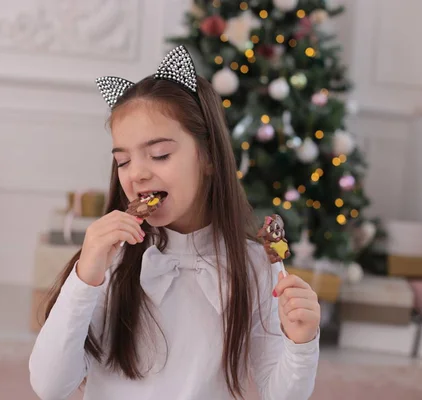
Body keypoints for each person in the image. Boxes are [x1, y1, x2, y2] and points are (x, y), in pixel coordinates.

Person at [29, 45, 320, 400]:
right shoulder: (109, 262)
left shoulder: (257, 268)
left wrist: (301, 342)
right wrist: (84, 279)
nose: (137, 173)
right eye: (122, 161)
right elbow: (50, 386)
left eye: (160, 154)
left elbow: (282, 395)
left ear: (209, 156)